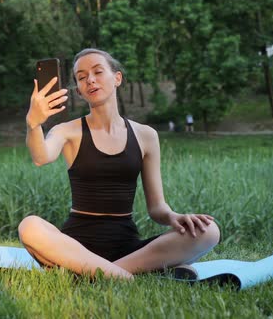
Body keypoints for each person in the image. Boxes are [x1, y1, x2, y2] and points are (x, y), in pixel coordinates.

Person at [18, 48, 220, 280]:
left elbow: (157, 208)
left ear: (117, 78)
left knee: (209, 232)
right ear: (81, 91)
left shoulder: (146, 135)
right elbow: (40, 157)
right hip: (74, 249)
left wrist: (174, 216)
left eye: (97, 72)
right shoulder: (66, 131)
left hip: (127, 247)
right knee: (29, 226)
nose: (90, 79)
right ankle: (126, 275)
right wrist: (33, 124)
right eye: (81, 77)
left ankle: (97, 274)